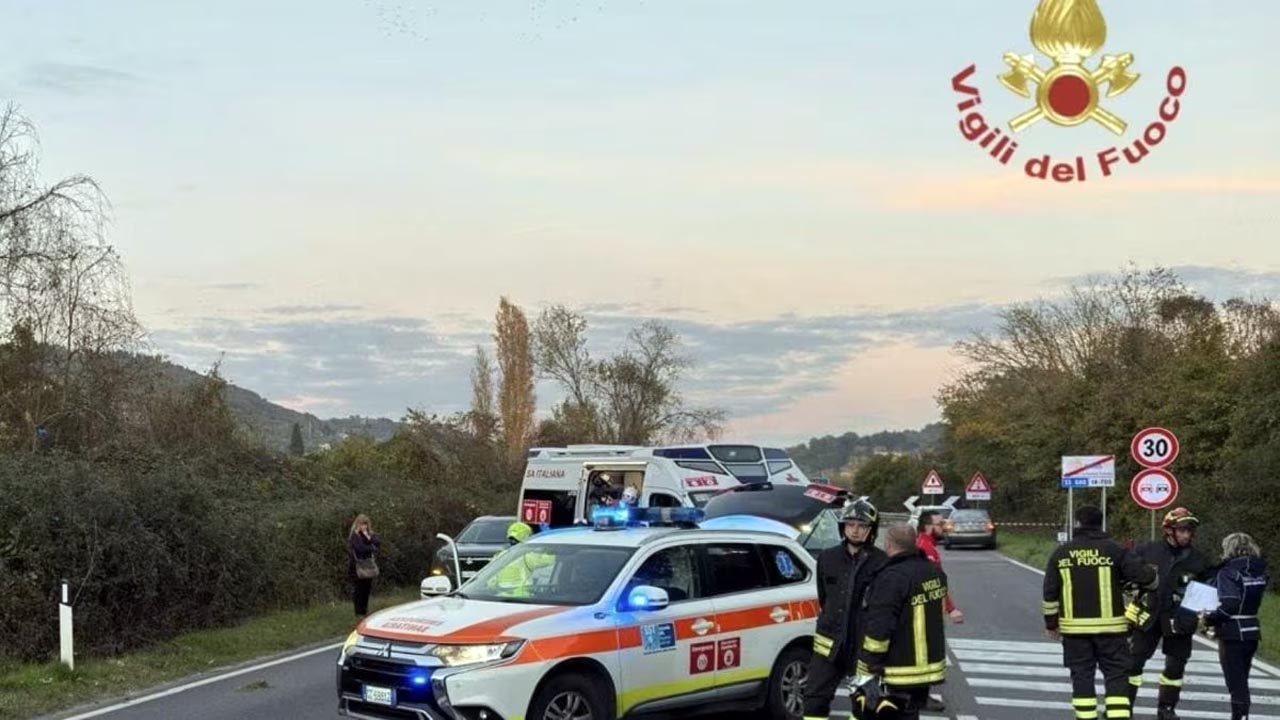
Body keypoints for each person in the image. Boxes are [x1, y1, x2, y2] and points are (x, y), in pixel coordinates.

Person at [1043, 505, 1158, 720]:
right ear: (1100, 523)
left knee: (1082, 676)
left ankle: (1086, 717)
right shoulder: (1114, 550)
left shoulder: (1061, 553)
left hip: (1075, 632)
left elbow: (1050, 593)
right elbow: (1145, 577)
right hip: (1112, 631)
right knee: (1116, 676)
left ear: (1077, 523)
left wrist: (1051, 624)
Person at [851, 523, 949, 720]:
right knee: (910, 713)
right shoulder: (934, 573)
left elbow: (880, 627)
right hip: (928, 669)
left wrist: (869, 664)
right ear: (914, 543)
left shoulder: (892, 578)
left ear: (888, 544)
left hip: (898, 670)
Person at [802, 498, 889, 720]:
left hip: (863, 647)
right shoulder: (827, 558)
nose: (855, 531)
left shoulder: (882, 562)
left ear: (871, 530)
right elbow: (824, 598)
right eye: (850, 525)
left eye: (862, 526)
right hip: (829, 644)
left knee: (865, 706)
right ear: (843, 527)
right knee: (814, 700)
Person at [1125, 507, 1214, 720]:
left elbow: (1208, 591)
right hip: (1146, 616)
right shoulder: (1147, 550)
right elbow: (1126, 575)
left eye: (1189, 531)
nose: (1186, 535)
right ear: (1169, 530)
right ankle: (1123, 708)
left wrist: (1207, 618)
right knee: (1133, 664)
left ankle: (1166, 709)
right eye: (1182, 530)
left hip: (1180, 619)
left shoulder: (1199, 560)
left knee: (1175, 667)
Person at [1202, 532, 1269, 720]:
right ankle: (1242, 715)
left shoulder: (1228, 571)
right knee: (1242, 680)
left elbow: (1230, 603)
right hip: (1252, 629)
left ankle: (1239, 716)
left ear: (1228, 548)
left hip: (1232, 632)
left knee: (1235, 683)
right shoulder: (1258, 569)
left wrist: (1210, 618)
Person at [915, 510, 964, 712]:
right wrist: (951, 609)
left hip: (927, 610)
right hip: (925, 611)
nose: (942, 527)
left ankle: (922, 695)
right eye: (939, 523)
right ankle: (920, 697)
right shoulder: (925, 548)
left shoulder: (927, 546)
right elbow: (934, 583)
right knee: (924, 654)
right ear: (928, 526)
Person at [488, 521, 555, 598]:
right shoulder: (527, 556)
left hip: (499, 598)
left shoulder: (501, 555)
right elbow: (551, 559)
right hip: (522, 598)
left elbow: (491, 581)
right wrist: (548, 537)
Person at [347, 514, 381, 617]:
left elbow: (377, 542)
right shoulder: (354, 536)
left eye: (365, 524)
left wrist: (368, 537)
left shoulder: (368, 534)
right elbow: (360, 548)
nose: (363, 527)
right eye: (361, 524)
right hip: (358, 565)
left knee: (367, 588)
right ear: (357, 524)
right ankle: (358, 612)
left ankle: (364, 611)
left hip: (368, 564)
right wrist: (371, 547)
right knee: (359, 589)